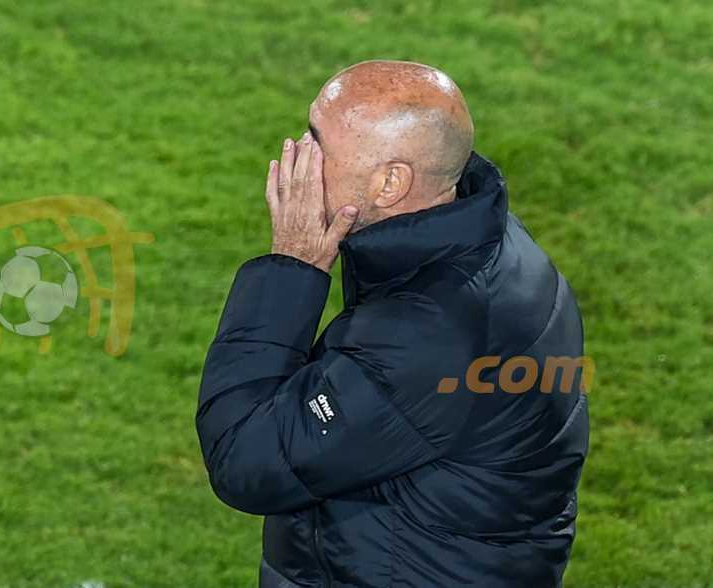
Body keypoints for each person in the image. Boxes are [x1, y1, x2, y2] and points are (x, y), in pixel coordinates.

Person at [195, 60, 590, 588]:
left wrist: (291, 268)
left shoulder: (426, 335)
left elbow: (246, 460)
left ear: (390, 183)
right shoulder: (487, 239)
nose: (299, 156)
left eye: (318, 143)